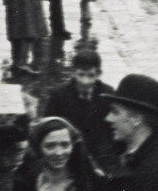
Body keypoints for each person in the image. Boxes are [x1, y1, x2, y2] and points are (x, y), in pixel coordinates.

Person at [44, 42, 119, 172]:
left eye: (91, 75)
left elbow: (113, 130)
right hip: (69, 157)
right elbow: (48, 127)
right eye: (81, 75)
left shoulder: (108, 94)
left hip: (102, 157)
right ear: (73, 73)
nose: (85, 81)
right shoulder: (58, 95)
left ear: (99, 74)